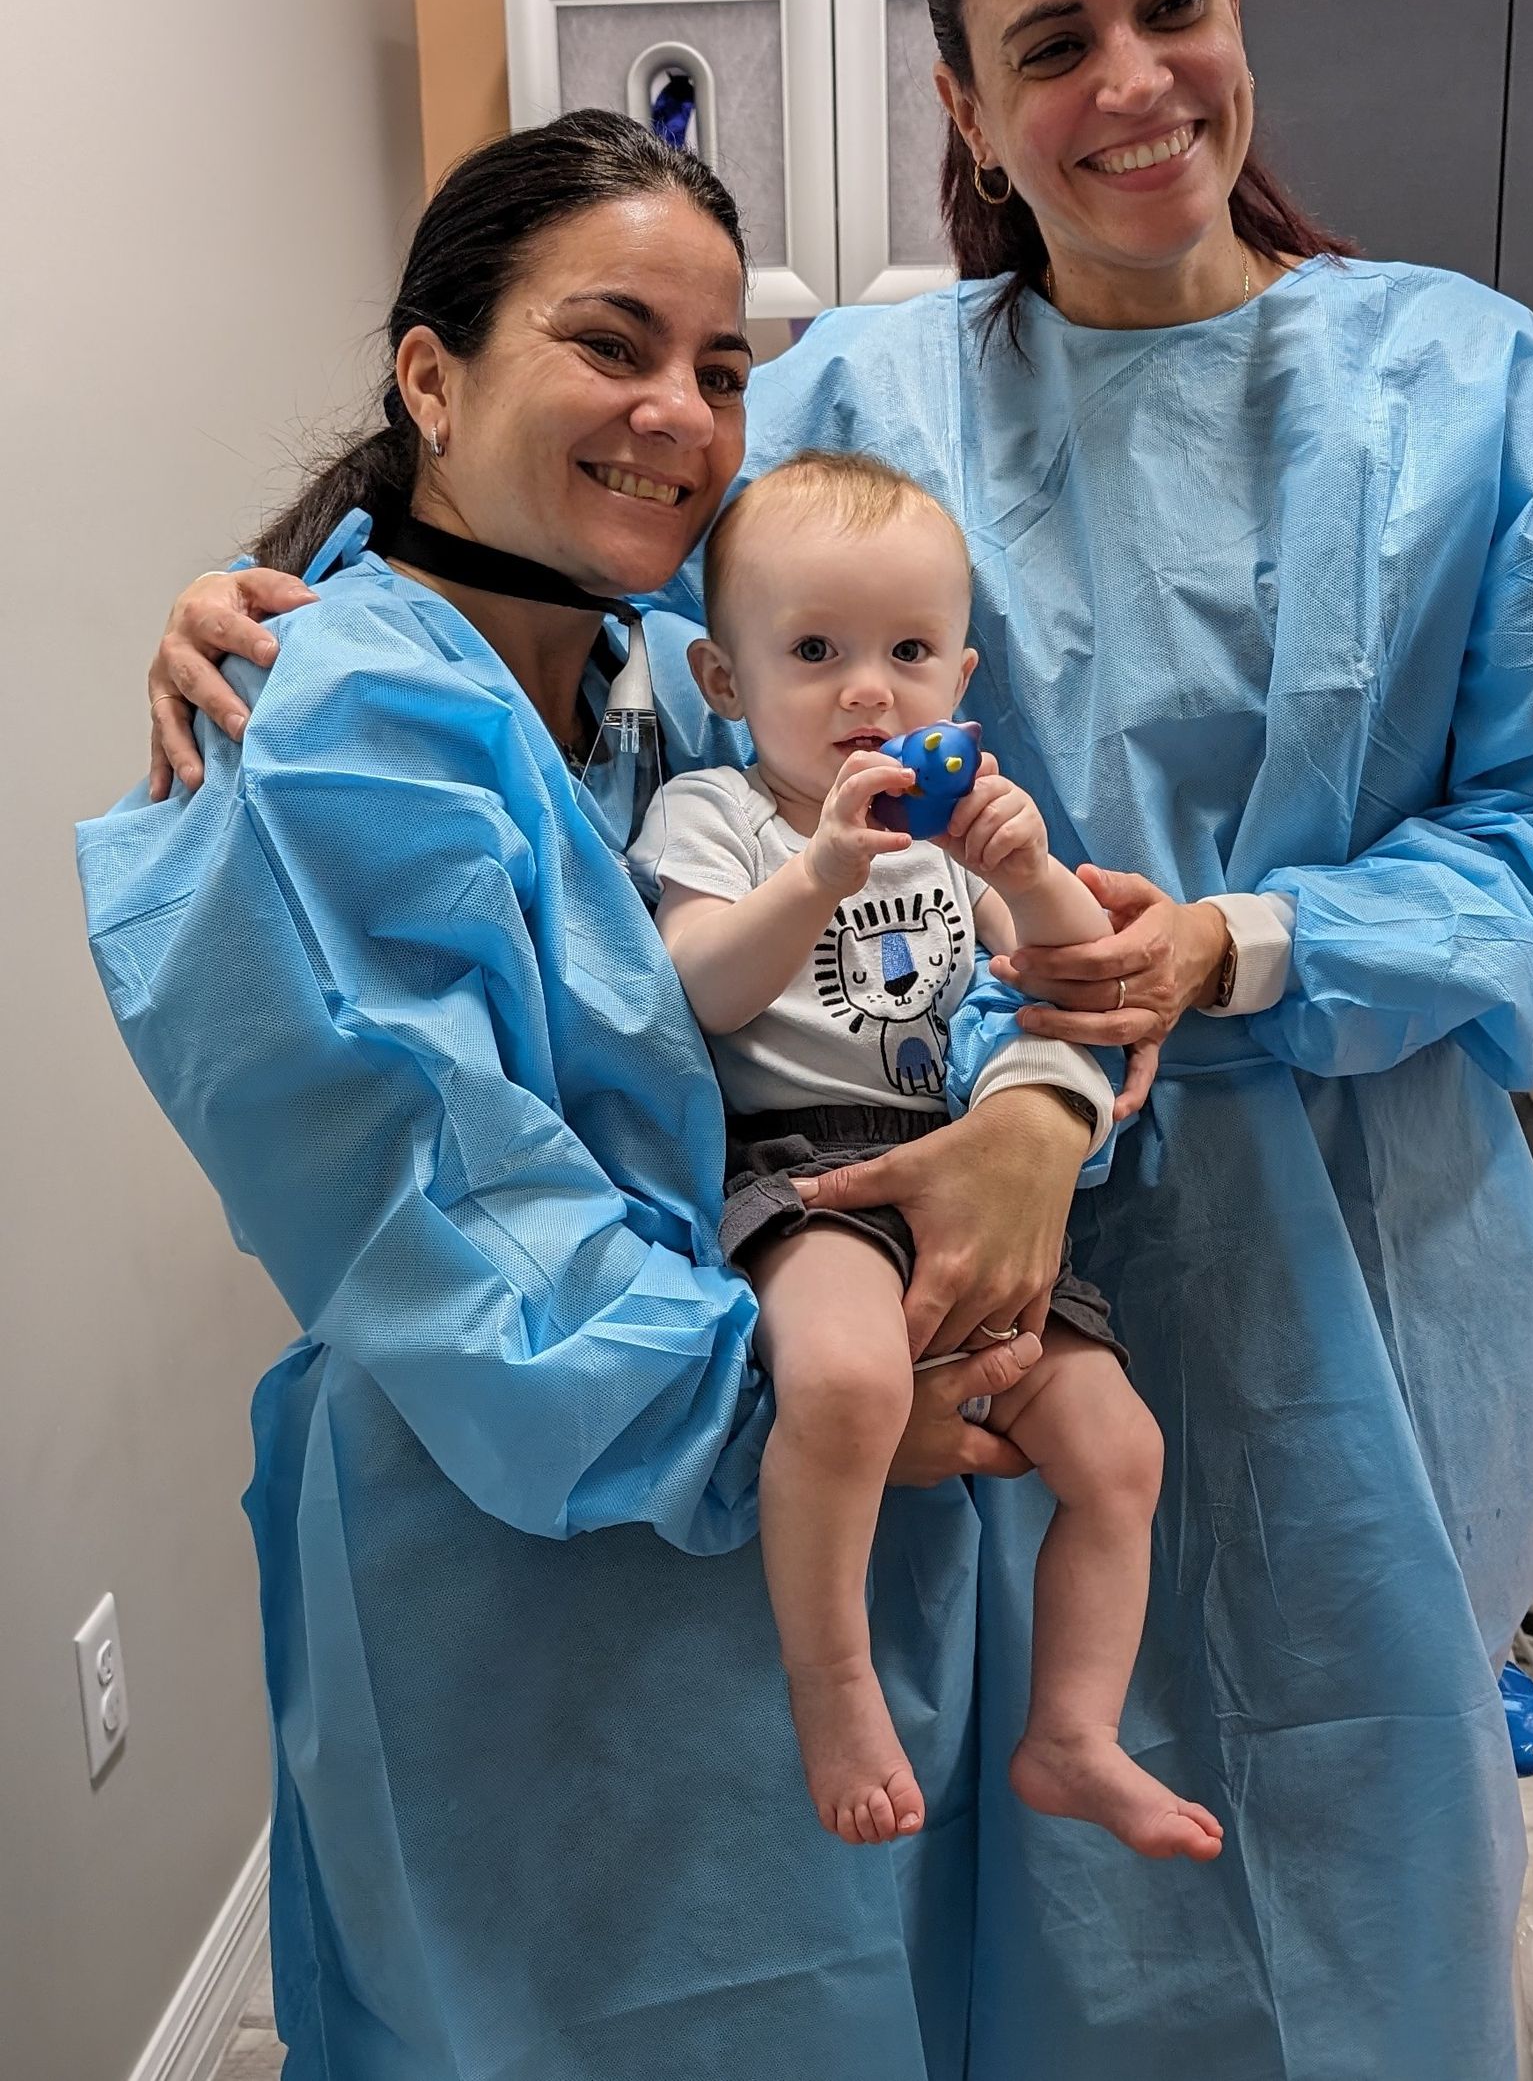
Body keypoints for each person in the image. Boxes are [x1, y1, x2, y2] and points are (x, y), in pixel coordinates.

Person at [139, 0, 1533, 2079]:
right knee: (964, 1922)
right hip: (903, 1308)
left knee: (1337, 1889)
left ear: (1234, 13)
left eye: (1172, 5)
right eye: (1051, 38)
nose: (1132, 83)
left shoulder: (1471, 391)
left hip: (1335, 1325)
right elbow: (612, 625)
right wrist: (287, 582)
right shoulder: (867, 397)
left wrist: (1233, 952)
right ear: (967, 104)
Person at [83, 109, 1118, 2080]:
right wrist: (822, 1413)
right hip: (526, 1568)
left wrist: (1032, 1110)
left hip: (781, 1552)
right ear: (429, 374)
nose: (678, 412)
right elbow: (452, 1228)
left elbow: (958, 957)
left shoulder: (673, 685)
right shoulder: (338, 722)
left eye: (721, 368)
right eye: (612, 343)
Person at [637, 450, 1220, 1860]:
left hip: (964, 1158)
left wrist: (1025, 872)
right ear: (724, 680)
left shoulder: (963, 839)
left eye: (907, 652)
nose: (866, 690)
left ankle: (1073, 1731)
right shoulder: (717, 815)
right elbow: (698, 984)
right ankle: (831, 1681)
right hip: (804, 1173)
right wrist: (818, 874)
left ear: (962, 677)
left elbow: (1086, 989)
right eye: (815, 651)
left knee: (1120, 1448)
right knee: (844, 1377)